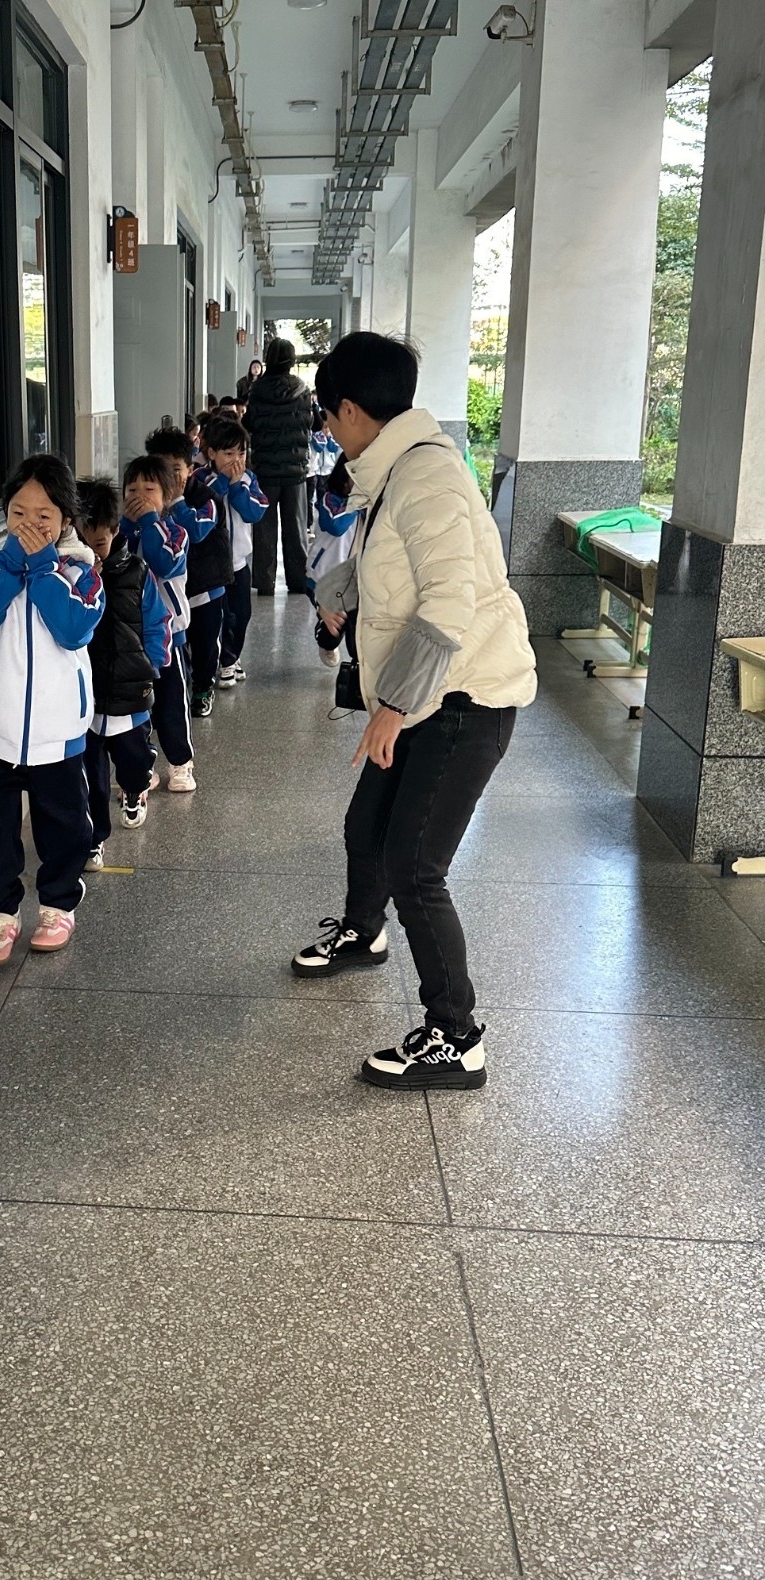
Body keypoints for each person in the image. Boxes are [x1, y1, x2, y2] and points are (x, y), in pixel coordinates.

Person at [291, 332, 537, 1090]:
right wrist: (338, 595)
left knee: (415, 866)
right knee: (365, 827)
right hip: (429, 693)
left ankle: (456, 1035)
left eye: (326, 414)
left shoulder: (425, 477)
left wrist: (391, 707)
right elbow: (391, 564)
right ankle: (363, 934)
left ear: (351, 410)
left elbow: (448, 603)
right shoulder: (398, 468)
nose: (326, 428)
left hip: (463, 698)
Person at [0, 454, 105, 964]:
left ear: (66, 518)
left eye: (44, 515)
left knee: (63, 827)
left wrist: (42, 568)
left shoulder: (82, 571)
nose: (30, 525)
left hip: (57, 735)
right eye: (19, 513)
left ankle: (58, 906)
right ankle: (1, 914)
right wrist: (11, 568)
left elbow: (73, 629)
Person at [76, 478, 171, 865]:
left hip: (131, 692)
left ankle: (135, 789)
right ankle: (94, 837)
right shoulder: (71, 575)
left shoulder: (137, 572)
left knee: (133, 761)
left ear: (116, 531)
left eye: (100, 542)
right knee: (92, 776)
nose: (93, 550)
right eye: (85, 541)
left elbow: (157, 622)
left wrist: (152, 664)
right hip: (89, 698)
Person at [122, 447, 197, 793]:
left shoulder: (175, 534)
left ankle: (181, 762)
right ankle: (142, 767)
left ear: (166, 497)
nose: (139, 496)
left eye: (149, 490)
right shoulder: (122, 536)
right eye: (132, 490)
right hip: (128, 640)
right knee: (137, 710)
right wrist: (128, 526)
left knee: (172, 705)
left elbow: (162, 562)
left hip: (170, 639)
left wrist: (150, 522)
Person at [188, 413, 267, 690]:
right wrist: (224, 482)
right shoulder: (201, 479)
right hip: (210, 566)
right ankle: (222, 662)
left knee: (241, 614)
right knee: (215, 618)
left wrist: (237, 487)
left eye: (241, 453)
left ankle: (231, 656)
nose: (236, 460)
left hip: (238, 563)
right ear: (212, 453)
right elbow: (204, 501)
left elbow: (254, 512)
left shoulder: (248, 479)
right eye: (229, 453)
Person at [244, 338, 316, 596]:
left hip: (265, 470)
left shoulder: (257, 390)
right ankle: (298, 581)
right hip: (295, 471)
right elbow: (314, 423)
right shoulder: (302, 390)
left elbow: (249, 424)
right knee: (295, 527)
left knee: (264, 528)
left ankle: (265, 582)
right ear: (291, 360)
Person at [180, 421, 234, 720]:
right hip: (173, 588)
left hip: (207, 583)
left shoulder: (207, 498)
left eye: (176, 469)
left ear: (190, 469)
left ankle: (202, 689)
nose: (169, 477)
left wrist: (175, 504)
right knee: (176, 642)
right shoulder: (152, 498)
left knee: (205, 642)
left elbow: (197, 531)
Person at [305, 453, 358, 669]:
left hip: (356, 582)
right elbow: (336, 526)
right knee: (333, 631)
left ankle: (357, 665)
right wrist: (358, 502)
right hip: (324, 579)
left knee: (357, 633)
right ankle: (327, 643)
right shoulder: (329, 500)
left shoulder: (370, 506)